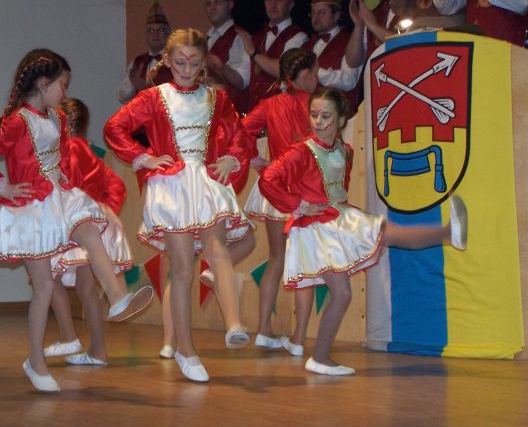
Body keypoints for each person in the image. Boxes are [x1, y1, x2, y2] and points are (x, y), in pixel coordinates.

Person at [0, 49, 153, 393]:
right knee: (45, 288)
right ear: (43, 83)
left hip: (59, 198)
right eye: (62, 84)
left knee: (91, 231)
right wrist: (0, 185)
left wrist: (64, 174)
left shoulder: (58, 118)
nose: (66, 91)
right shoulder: (18, 122)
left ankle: (117, 297)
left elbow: (63, 153)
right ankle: (35, 361)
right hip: (32, 208)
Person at [260, 88, 468, 375]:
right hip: (316, 230)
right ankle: (319, 358)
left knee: (388, 233)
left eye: (326, 116)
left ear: (341, 119)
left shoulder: (344, 150)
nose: (318, 121)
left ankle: (448, 234)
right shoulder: (301, 151)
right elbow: (268, 179)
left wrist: (354, 231)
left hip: (339, 220)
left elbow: (340, 187)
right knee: (343, 293)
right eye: (314, 114)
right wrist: (298, 205)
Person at [105, 28, 253, 383]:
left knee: (217, 247)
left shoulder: (216, 98)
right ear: (168, 62)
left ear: (204, 64)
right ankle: (185, 348)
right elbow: (114, 128)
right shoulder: (154, 97)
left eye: (195, 63)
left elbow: (239, 135)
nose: (187, 70)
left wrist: (231, 158)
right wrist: (144, 158)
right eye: (181, 63)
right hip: (171, 185)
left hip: (204, 180)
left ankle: (234, 324)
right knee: (183, 269)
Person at [43, 97, 132, 366]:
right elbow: (116, 185)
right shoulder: (86, 150)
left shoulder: (67, 150)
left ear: (67, 123)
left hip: (73, 224)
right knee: (86, 289)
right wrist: (105, 209)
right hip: (88, 224)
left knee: (46, 278)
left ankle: (69, 336)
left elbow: (64, 187)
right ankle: (98, 350)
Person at [242, 48, 319, 357]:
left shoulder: (270, 104)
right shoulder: (318, 104)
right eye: (314, 72)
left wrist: (256, 160)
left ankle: (264, 330)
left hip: (276, 188)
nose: (317, 78)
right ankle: (298, 338)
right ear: (302, 75)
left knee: (277, 260)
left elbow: (240, 130)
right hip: (306, 190)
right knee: (306, 263)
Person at [244, 0, 309, 106]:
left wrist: (254, 53)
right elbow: (243, 80)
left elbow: (284, 70)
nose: (272, 5)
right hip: (254, 113)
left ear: (291, 4)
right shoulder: (257, 37)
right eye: (269, 0)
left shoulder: (299, 37)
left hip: (280, 114)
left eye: (279, 0)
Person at [302, 0, 364, 117]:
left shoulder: (351, 40)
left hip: (341, 119)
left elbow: (349, 81)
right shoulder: (306, 46)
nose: (316, 18)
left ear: (336, 15)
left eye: (322, 12)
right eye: (313, 12)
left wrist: (315, 72)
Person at [204, 0, 252, 114]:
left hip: (230, 115)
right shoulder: (205, 38)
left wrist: (221, 67)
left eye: (217, 2)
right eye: (209, 3)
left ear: (230, 4)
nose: (212, 8)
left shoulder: (239, 37)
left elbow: (242, 81)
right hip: (207, 113)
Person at [117, 0, 173, 104]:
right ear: (146, 35)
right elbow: (122, 96)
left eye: (160, 30)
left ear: (169, 33)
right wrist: (133, 84)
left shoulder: (175, 61)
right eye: (151, 30)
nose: (155, 34)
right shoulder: (138, 61)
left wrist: (145, 87)